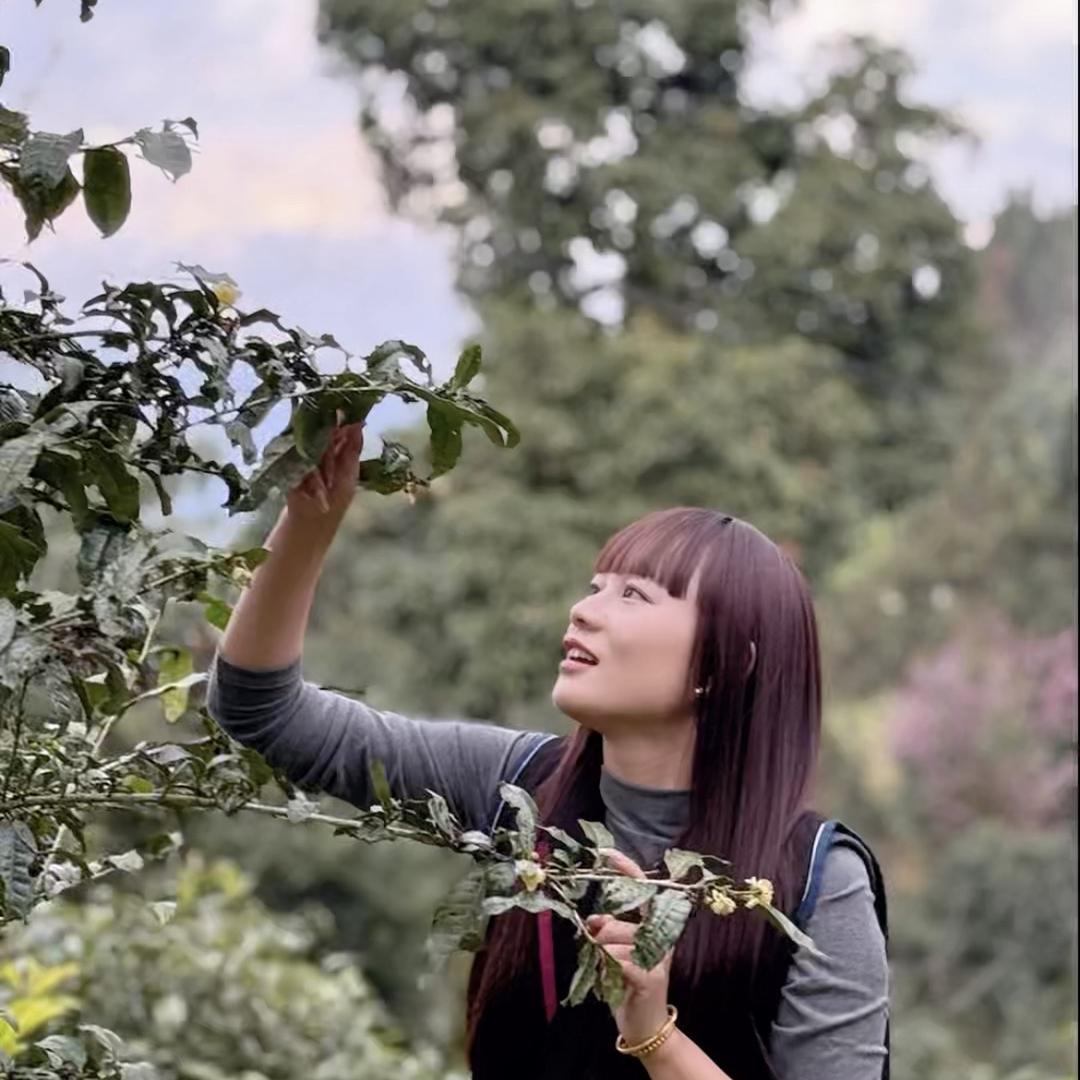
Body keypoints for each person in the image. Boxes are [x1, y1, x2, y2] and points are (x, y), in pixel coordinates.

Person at [206, 418, 890, 1080]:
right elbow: (264, 711)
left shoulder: (814, 886)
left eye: (633, 595)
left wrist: (653, 1034)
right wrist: (309, 525)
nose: (584, 609)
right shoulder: (518, 789)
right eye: (595, 588)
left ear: (723, 664)